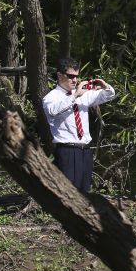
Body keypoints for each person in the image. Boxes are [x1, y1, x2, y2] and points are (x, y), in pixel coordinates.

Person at [42, 57, 116, 193]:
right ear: (59, 75)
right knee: (68, 194)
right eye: (70, 76)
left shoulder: (82, 95)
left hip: (85, 151)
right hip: (67, 151)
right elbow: (53, 111)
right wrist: (75, 95)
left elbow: (109, 95)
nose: (74, 80)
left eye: (76, 77)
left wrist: (104, 86)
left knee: (84, 194)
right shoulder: (52, 97)